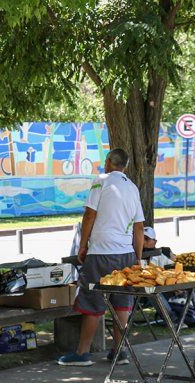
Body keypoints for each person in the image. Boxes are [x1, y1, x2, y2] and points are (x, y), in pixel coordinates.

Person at [57, 148, 144, 366]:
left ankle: (82, 353)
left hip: (101, 253)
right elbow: (139, 227)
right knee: (122, 302)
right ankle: (119, 351)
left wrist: (82, 245)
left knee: (92, 300)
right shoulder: (132, 187)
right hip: (126, 254)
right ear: (125, 166)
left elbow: (89, 215)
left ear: (108, 162)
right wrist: (138, 257)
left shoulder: (101, 181)